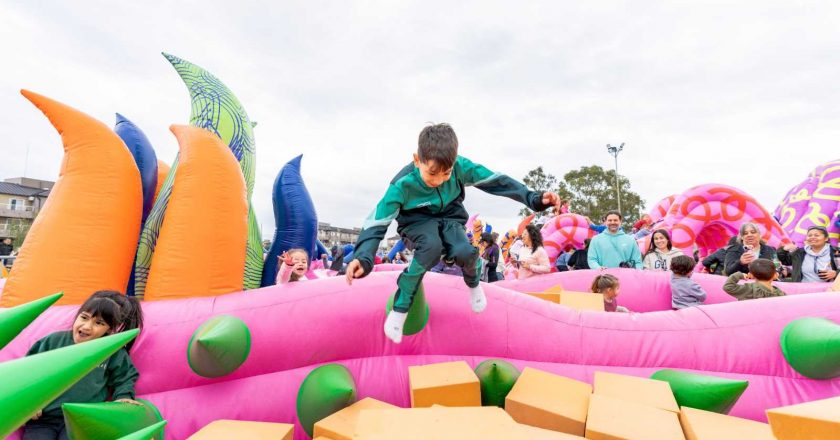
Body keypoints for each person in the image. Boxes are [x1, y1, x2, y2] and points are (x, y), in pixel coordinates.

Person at [345, 123, 560, 343]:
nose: (438, 180)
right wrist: (364, 257)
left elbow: (496, 181)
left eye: (446, 174)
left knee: (465, 252)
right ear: (417, 160)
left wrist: (534, 198)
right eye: (432, 174)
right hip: (416, 223)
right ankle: (400, 310)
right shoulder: (402, 184)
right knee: (430, 248)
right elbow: (377, 222)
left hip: (450, 218)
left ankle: (474, 284)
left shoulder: (460, 167)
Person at [23, 291, 143, 440]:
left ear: (109, 329)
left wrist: (124, 397)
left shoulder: (112, 351)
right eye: (84, 317)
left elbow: (125, 377)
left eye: (99, 323)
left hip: (80, 420)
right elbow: (28, 372)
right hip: (43, 419)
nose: (87, 326)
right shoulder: (53, 342)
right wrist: (30, 402)